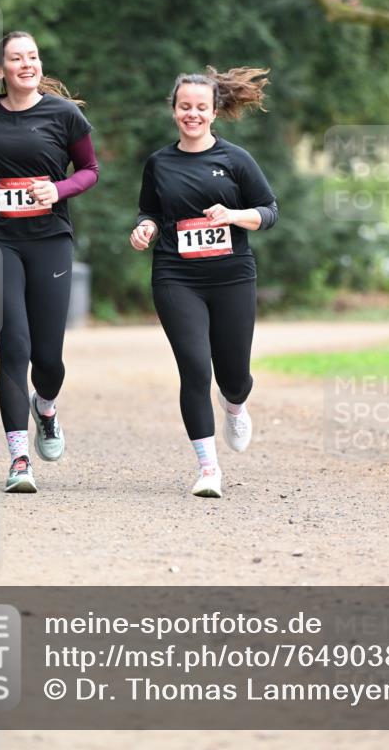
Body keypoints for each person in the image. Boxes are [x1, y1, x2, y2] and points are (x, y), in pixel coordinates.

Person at [0, 31, 99, 493]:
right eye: (16, 58)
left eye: (32, 56)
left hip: (48, 238)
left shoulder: (64, 114)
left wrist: (60, 189)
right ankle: (18, 458)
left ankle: (46, 408)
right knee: (13, 345)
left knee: (47, 358)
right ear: (1, 70)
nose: (26, 64)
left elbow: (90, 170)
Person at [130, 66, 278, 498]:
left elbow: (269, 211)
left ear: (214, 111)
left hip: (232, 275)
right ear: (174, 110)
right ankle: (208, 468)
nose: (191, 114)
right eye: (184, 107)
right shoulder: (159, 162)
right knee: (195, 367)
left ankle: (234, 404)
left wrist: (233, 216)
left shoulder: (235, 160)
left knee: (234, 375)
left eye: (200, 107)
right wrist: (145, 228)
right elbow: (149, 212)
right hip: (177, 275)